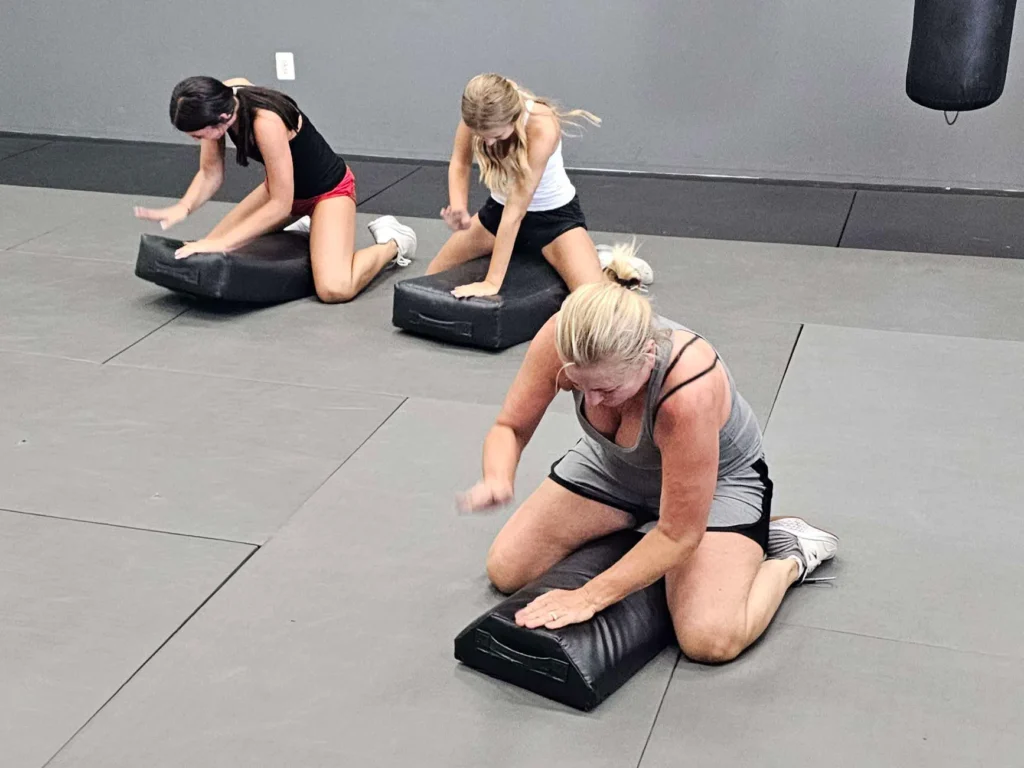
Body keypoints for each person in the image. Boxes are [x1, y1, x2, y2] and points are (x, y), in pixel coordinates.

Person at [458, 245, 837, 664]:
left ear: (648, 358)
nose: (591, 401)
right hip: (614, 467)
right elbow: (511, 427)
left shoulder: (687, 390)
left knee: (710, 639)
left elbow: (679, 535)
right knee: (508, 568)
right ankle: (645, 532)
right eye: (580, 386)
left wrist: (590, 596)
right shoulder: (563, 339)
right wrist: (497, 475)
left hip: (719, 484)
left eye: (607, 390)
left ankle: (790, 555)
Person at [134, 76, 416, 303]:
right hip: (282, 190)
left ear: (222, 118)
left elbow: (281, 205)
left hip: (328, 193)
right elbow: (210, 173)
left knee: (334, 288)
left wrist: (225, 242)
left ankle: (394, 242)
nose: (196, 140)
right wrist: (183, 207)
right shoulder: (222, 97)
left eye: (197, 135)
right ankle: (309, 228)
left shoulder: (265, 122)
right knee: (207, 255)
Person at [428, 73, 653, 299]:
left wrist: (492, 282)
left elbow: (516, 211)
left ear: (513, 116)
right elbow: (461, 162)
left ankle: (605, 262)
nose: (488, 142)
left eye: (496, 135)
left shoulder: (542, 126)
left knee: (593, 302)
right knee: (431, 281)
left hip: (553, 221)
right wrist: (459, 207)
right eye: (482, 136)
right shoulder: (478, 113)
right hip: (497, 214)